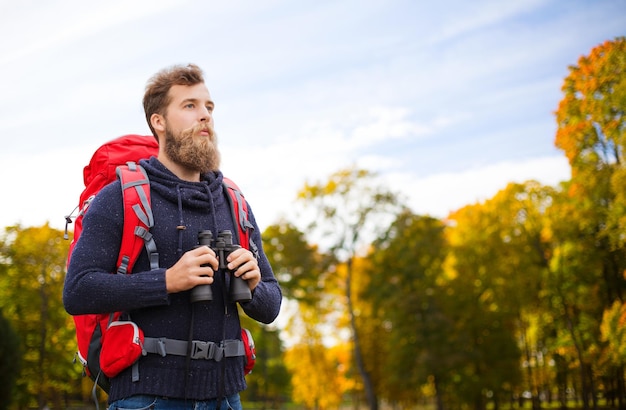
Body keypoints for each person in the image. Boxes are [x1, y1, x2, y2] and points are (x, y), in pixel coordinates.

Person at [63, 63, 282, 409]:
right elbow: (77, 291)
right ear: (158, 121)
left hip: (227, 397)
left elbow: (271, 306)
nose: (205, 116)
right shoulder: (121, 197)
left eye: (209, 107)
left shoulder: (233, 202)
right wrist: (167, 281)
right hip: (146, 397)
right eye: (190, 106)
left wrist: (254, 286)